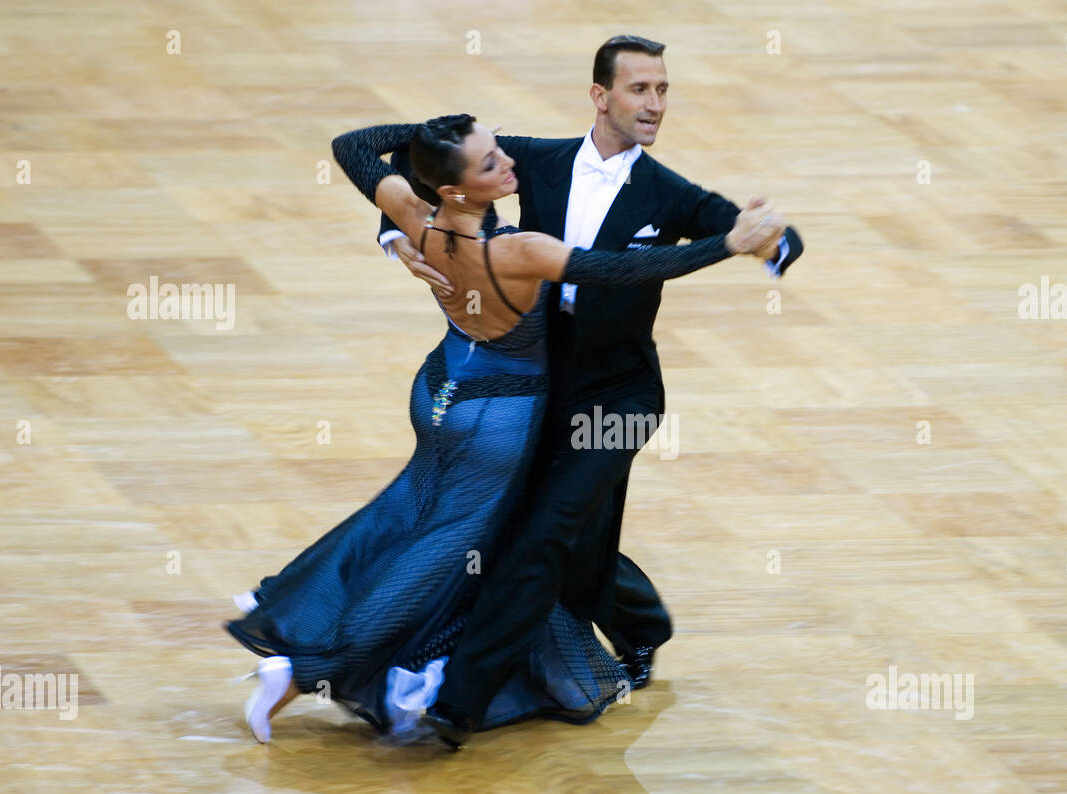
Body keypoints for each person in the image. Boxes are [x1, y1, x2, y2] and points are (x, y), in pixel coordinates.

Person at [223, 112, 786, 745]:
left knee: (405, 520)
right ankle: (310, 668)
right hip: (498, 420)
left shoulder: (414, 215)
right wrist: (728, 245)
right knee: (444, 555)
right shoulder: (518, 252)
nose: (508, 164)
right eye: (491, 163)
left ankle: (378, 655)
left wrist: (439, 137)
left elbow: (351, 145)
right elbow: (623, 271)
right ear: (460, 190)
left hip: (440, 391)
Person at [370, 36, 805, 747]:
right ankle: (642, 624)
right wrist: (396, 238)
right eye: (640, 89)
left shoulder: (668, 193)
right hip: (537, 388)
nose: (655, 104)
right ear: (600, 96)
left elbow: (754, 233)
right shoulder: (528, 160)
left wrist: (773, 241)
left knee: (545, 535)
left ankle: (462, 704)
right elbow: (418, 161)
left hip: (620, 400)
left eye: (663, 90)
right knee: (566, 537)